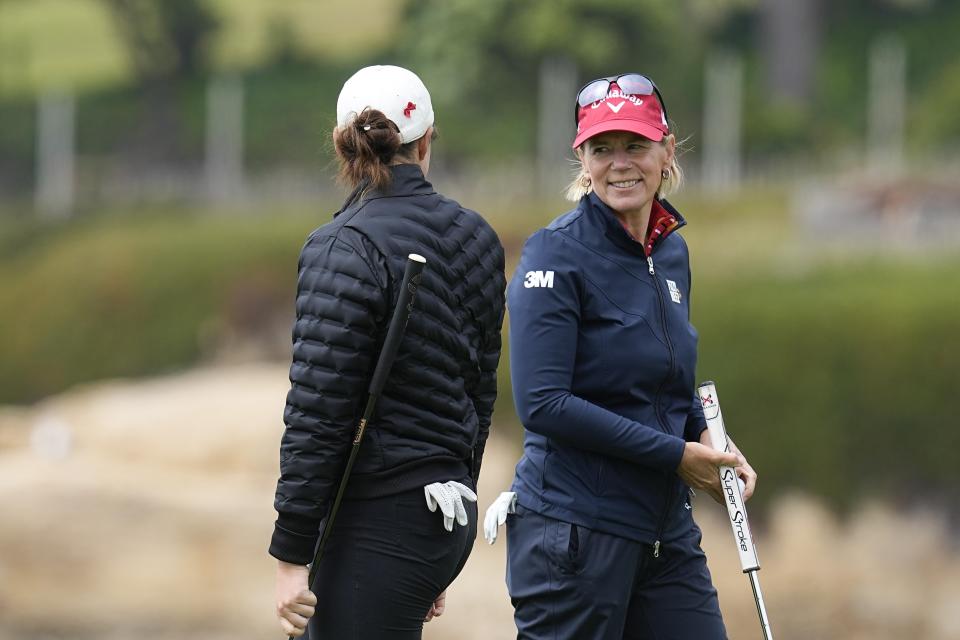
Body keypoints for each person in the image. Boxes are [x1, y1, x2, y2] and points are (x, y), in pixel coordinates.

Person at [483, 73, 758, 639]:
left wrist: (710, 440)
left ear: (666, 150)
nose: (620, 163)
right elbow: (543, 404)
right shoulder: (554, 254)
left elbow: (666, 384)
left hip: (664, 533)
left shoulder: (672, 252)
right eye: (602, 149)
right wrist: (676, 455)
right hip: (573, 534)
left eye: (635, 145)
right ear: (582, 160)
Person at [270, 64, 506, 639]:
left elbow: (319, 411)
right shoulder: (477, 235)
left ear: (341, 143)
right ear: (427, 139)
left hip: (377, 521)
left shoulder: (340, 244)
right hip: (445, 514)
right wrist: (456, 512)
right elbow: (479, 390)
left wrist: (290, 556)